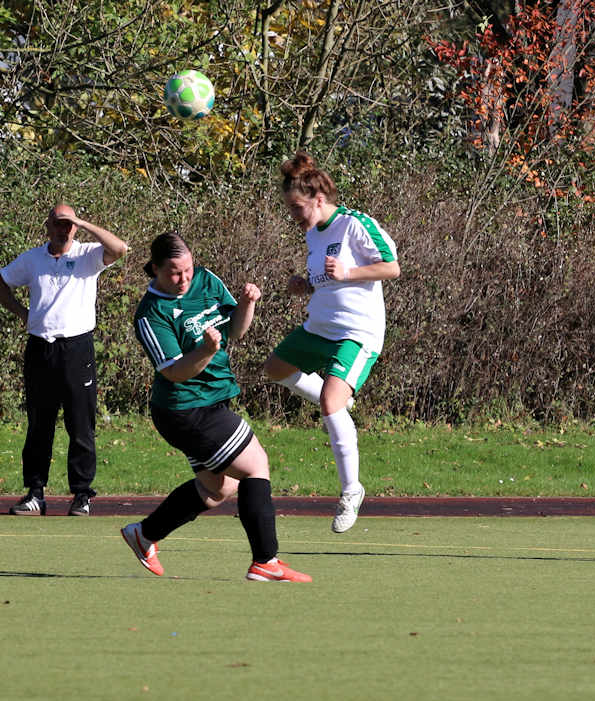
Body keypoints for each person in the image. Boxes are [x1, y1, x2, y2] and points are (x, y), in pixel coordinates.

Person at [121, 232, 312, 582]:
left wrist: (247, 304)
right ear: (156, 270)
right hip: (185, 408)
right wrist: (206, 351)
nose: (184, 279)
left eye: (188, 270)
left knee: (216, 489)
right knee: (256, 465)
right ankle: (265, 561)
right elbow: (175, 372)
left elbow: (236, 332)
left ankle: (144, 534)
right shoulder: (151, 313)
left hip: (209, 400)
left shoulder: (206, 280)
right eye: (175, 273)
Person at [263, 151, 400, 533]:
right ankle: (339, 398)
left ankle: (351, 490)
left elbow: (392, 266)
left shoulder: (355, 224)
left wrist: (349, 271)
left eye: (297, 207)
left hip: (356, 332)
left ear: (319, 199)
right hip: (319, 327)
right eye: (289, 208)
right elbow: (326, 279)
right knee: (275, 369)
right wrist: (303, 285)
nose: (294, 215)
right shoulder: (312, 233)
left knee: (328, 402)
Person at [0, 204, 128, 517]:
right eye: (58, 223)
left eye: (69, 224)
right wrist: (23, 314)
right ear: (47, 226)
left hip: (77, 349)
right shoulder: (32, 258)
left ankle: (81, 494)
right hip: (41, 348)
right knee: (40, 424)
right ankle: (35, 493)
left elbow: (119, 249)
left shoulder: (88, 254)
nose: (63, 229)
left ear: (75, 227)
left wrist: (82, 221)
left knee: (80, 424)